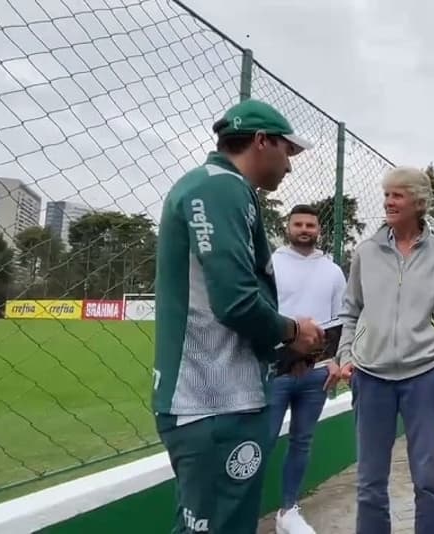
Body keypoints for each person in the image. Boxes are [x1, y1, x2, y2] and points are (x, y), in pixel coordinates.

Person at [152, 98, 327, 534]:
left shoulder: (224, 189)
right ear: (262, 141)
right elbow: (235, 301)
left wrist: (282, 355)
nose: (289, 166)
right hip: (211, 402)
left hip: (222, 398)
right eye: (287, 150)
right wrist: (294, 332)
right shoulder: (219, 188)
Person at [336, 166, 434, 534]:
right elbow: (350, 310)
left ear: (418, 201)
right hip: (370, 378)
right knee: (369, 482)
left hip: (424, 378)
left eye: (397, 195)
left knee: (427, 481)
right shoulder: (366, 252)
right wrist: (347, 357)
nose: (388, 201)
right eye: (386, 195)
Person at [267, 203, 346, 534]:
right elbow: (262, 316)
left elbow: (340, 321)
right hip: (273, 371)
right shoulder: (271, 264)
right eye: (298, 224)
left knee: (302, 441)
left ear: (319, 230)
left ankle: (288, 510)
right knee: (261, 442)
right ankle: (239, 512)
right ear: (288, 228)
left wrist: (335, 362)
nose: (304, 230)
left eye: (310, 225)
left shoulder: (333, 271)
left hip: (317, 374)